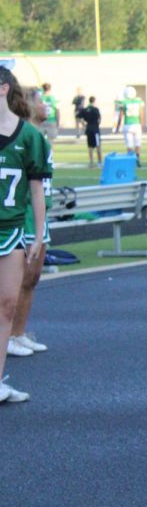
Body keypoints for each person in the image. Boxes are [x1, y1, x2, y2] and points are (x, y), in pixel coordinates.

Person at [0, 61, 52, 403]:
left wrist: (39, 233)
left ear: (4, 88)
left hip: (11, 229)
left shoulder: (30, 136)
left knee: (6, 304)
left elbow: (37, 189)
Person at [7, 88, 52, 359]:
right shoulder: (20, 135)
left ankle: (19, 332)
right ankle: (9, 333)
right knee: (18, 278)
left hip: (40, 213)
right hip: (21, 213)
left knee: (33, 278)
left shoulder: (37, 135)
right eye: (40, 101)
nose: (45, 105)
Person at [114, 86, 144, 167]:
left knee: (129, 145)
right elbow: (141, 114)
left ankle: (131, 161)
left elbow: (121, 116)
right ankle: (137, 158)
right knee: (137, 144)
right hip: (136, 124)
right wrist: (141, 124)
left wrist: (117, 127)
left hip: (127, 124)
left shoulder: (123, 102)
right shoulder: (138, 101)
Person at [81, 96, 102, 167]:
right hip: (95, 129)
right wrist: (97, 124)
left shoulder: (85, 109)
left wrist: (84, 125)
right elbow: (99, 119)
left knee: (90, 146)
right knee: (98, 146)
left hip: (88, 129)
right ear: (94, 101)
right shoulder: (95, 109)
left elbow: (80, 117)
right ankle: (99, 161)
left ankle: (91, 161)